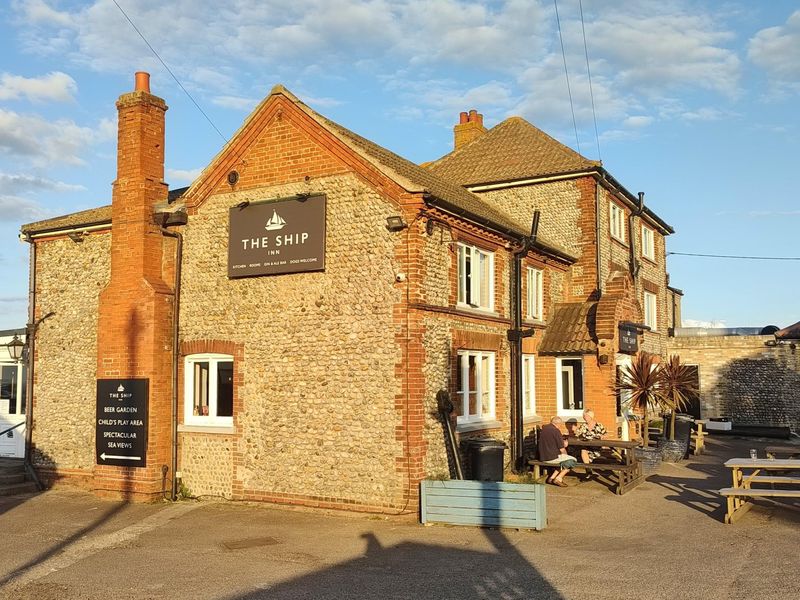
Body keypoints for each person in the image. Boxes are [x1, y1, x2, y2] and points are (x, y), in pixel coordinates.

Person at [537, 416, 576, 486]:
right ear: (558, 424)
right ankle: (558, 478)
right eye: (560, 425)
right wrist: (565, 446)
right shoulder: (556, 431)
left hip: (542, 456)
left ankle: (551, 478)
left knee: (564, 462)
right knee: (572, 461)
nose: (560, 427)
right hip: (551, 457)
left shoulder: (544, 428)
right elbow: (562, 449)